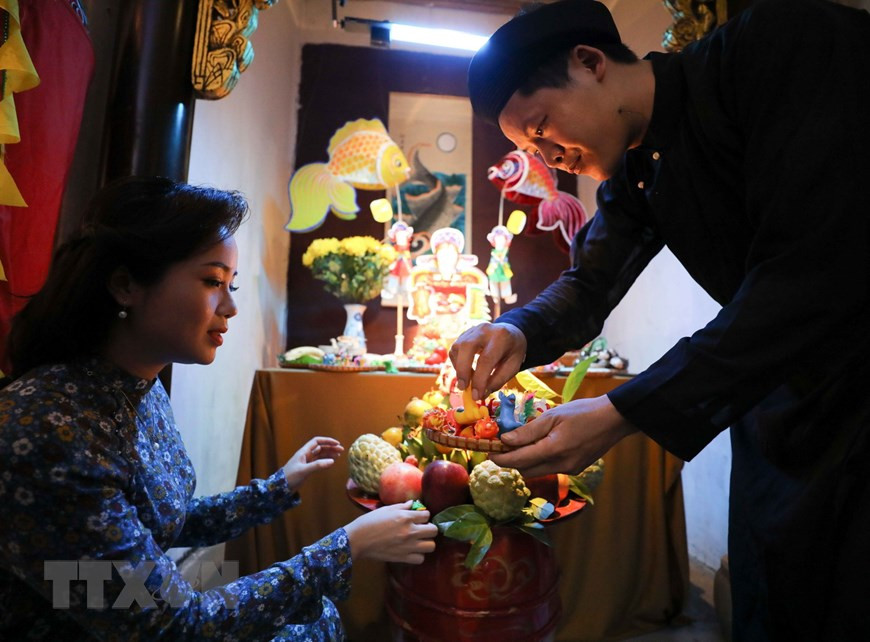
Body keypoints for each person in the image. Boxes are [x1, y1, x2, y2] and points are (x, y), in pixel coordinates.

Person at [451, 0, 870, 639]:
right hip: (774, 402)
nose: (548, 159)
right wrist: (519, 330)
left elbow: (810, 270)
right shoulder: (638, 171)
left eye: (541, 129)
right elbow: (589, 282)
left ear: (589, 64)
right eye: (530, 148)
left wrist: (625, 412)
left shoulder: (776, 47)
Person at [0, 176, 438, 640]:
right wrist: (348, 545)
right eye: (212, 281)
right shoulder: (48, 431)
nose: (230, 307)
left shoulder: (139, 388)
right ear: (126, 285)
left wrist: (278, 486)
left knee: (315, 616)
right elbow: (174, 625)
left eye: (231, 284)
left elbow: (160, 520)